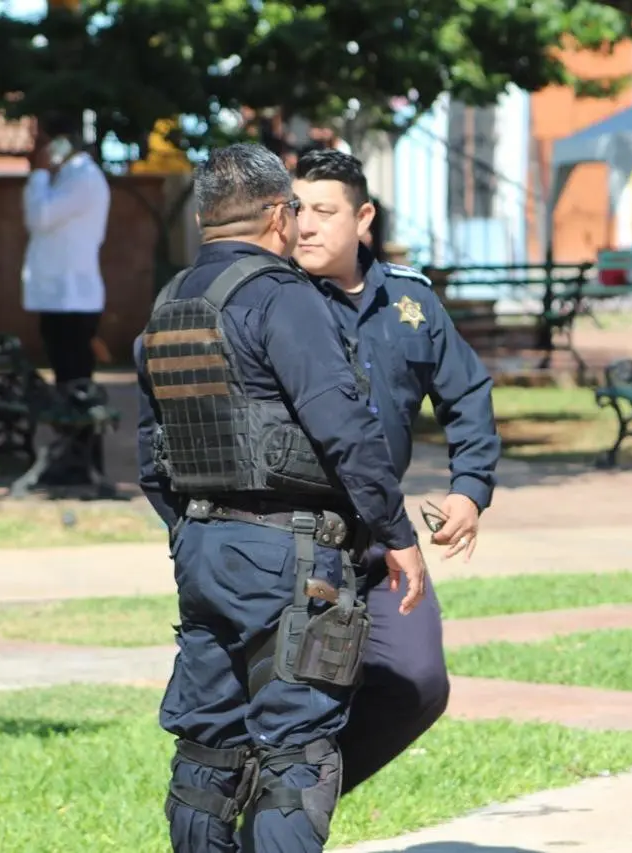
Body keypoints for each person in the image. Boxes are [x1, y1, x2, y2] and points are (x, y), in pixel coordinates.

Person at [135, 142, 429, 853]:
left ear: (207, 216)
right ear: (278, 214)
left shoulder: (171, 303)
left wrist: (194, 529)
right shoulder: (281, 297)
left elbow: (151, 454)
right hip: (290, 555)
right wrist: (397, 533)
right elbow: (346, 429)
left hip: (202, 550)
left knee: (208, 745)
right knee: (298, 748)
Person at [291, 148, 500, 792]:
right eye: (296, 209)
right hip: (298, 534)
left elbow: (466, 395)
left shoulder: (411, 302)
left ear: (364, 219)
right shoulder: (279, 303)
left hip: (383, 539)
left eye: (325, 211)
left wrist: (469, 491)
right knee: (297, 700)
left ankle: (300, 802)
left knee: (418, 684)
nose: (306, 225)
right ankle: (279, 819)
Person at [22, 110, 112, 483]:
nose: (36, 149)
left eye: (42, 140)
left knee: (76, 385)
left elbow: (39, 217)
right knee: (66, 385)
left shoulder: (83, 179)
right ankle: (71, 459)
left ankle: (83, 463)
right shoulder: (71, 178)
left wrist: (40, 172)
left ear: (60, 141)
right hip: (60, 298)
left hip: (73, 297)